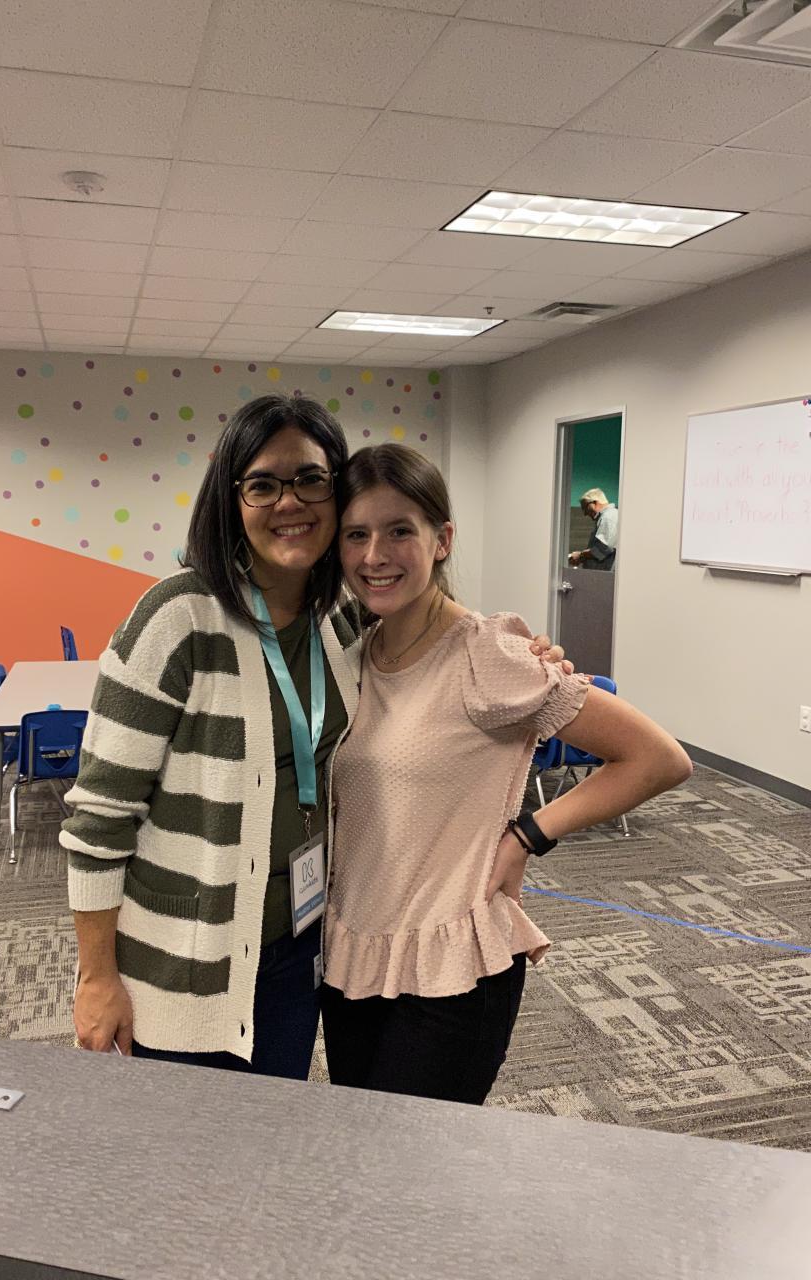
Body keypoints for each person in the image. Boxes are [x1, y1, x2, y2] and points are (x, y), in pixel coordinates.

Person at [60, 395, 566, 1080]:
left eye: (309, 479)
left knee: (277, 1135)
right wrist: (96, 977)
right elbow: (100, 816)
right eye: (263, 484)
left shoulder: (340, 625)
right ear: (231, 500)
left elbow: (433, 661)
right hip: (186, 961)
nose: (289, 501)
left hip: (298, 952)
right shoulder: (178, 618)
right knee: (187, 1141)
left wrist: (520, 656)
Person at [320, 444, 691, 1106]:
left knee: (414, 1158)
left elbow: (658, 758)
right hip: (354, 953)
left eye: (400, 530)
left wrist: (528, 835)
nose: (375, 554)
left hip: (452, 967)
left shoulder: (486, 654)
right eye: (356, 534)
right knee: (362, 1145)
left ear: (441, 540)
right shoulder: (353, 652)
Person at [569, 488, 618, 570]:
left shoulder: (608, 517)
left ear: (595, 502)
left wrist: (580, 555)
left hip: (603, 575)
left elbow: (603, 549)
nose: (585, 513)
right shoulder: (606, 516)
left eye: (585, 507)